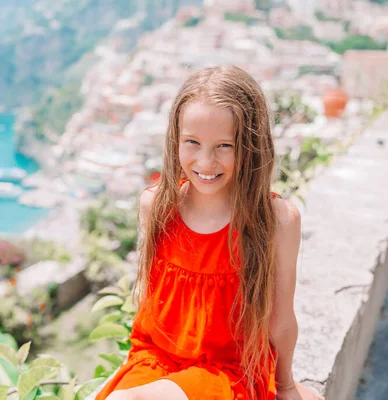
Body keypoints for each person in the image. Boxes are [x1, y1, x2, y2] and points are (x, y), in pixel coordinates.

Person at [96, 67, 323, 400]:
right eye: (192, 142)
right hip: (156, 362)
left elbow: (281, 321)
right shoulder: (157, 206)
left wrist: (286, 385)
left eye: (224, 146)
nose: (205, 161)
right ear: (176, 139)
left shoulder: (275, 220)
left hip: (229, 373)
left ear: (252, 145)